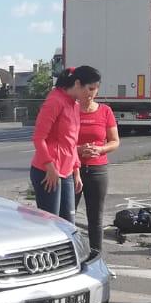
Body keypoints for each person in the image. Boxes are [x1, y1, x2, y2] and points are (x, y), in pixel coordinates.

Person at [29, 67, 92, 221]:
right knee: (51, 225)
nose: (91, 94)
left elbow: (72, 141)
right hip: (48, 171)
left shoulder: (74, 105)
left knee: (68, 223)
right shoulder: (55, 101)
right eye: (90, 88)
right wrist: (49, 167)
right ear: (77, 84)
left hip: (67, 171)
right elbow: (38, 138)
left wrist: (76, 171)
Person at [74, 69, 119, 256]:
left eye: (95, 89)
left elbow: (115, 141)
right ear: (80, 87)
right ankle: (72, 254)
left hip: (97, 169)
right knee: (68, 215)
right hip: (73, 168)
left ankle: (96, 255)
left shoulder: (105, 111)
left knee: (96, 217)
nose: (92, 93)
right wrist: (78, 150)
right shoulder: (71, 110)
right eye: (89, 88)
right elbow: (61, 141)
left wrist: (100, 149)